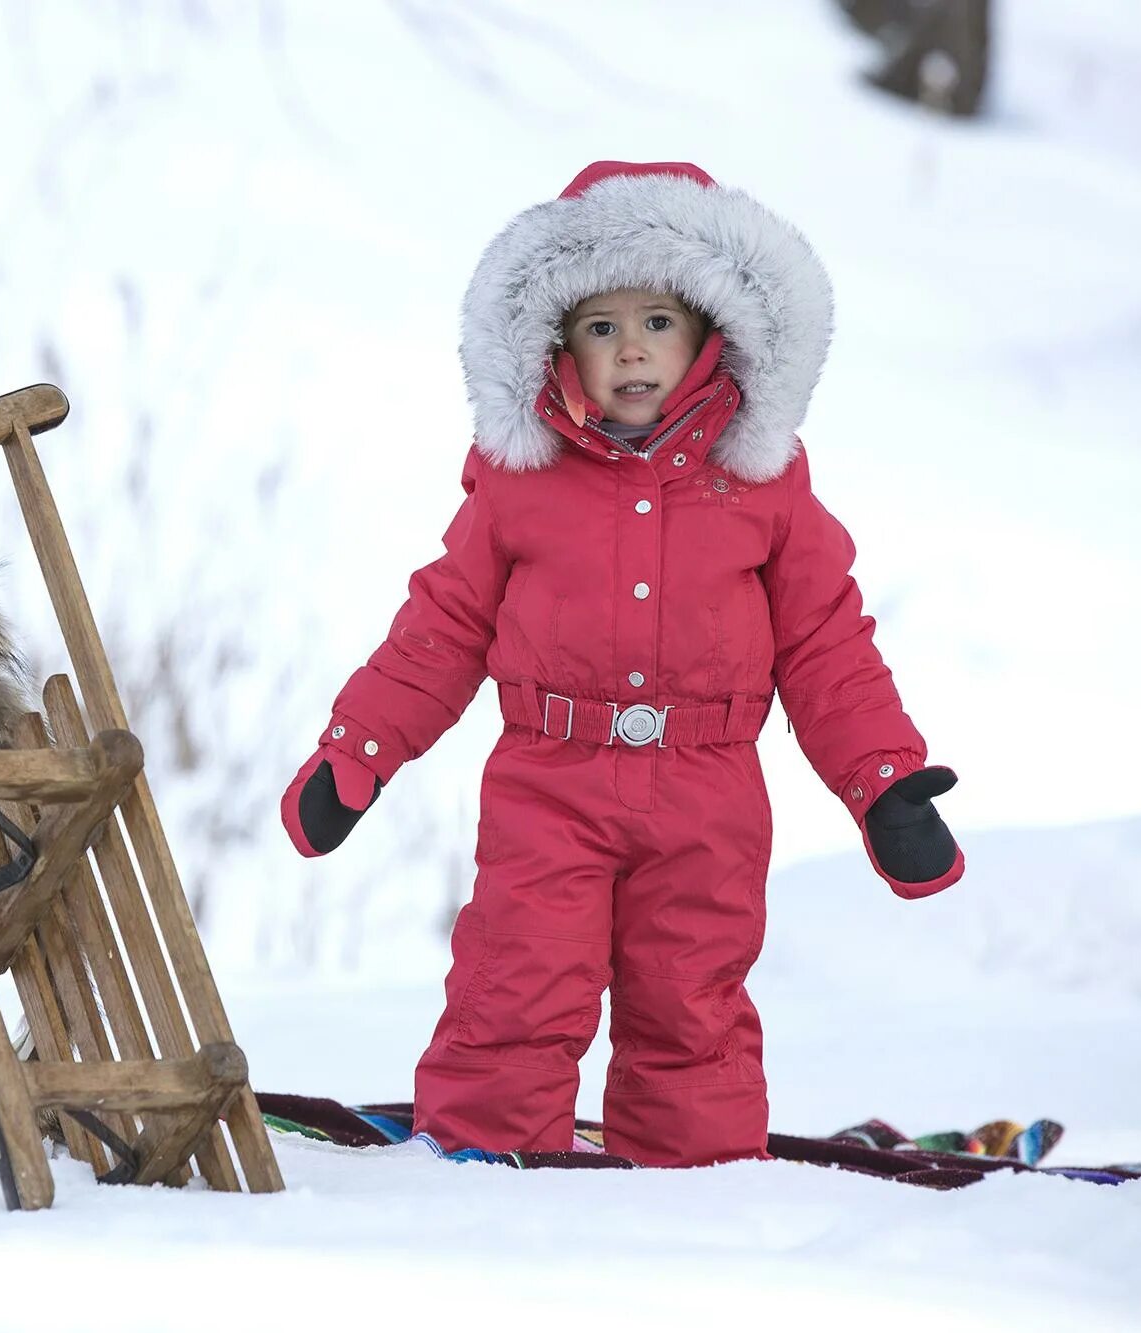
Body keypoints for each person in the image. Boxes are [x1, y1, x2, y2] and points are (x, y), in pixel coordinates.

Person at [279, 160, 964, 1168]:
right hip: (548, 784)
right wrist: (358, 751)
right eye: (600, 327)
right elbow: (440, 627)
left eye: (657, 322)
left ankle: (693, 1197)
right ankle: (471, 1183)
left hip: (706, 794)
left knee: (691, 1007)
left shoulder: (762, 487)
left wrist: (883, 784)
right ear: (555, 345)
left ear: (710, 336)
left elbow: (827, 645)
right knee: (515, 984)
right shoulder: (519, 486)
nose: (630, 349)